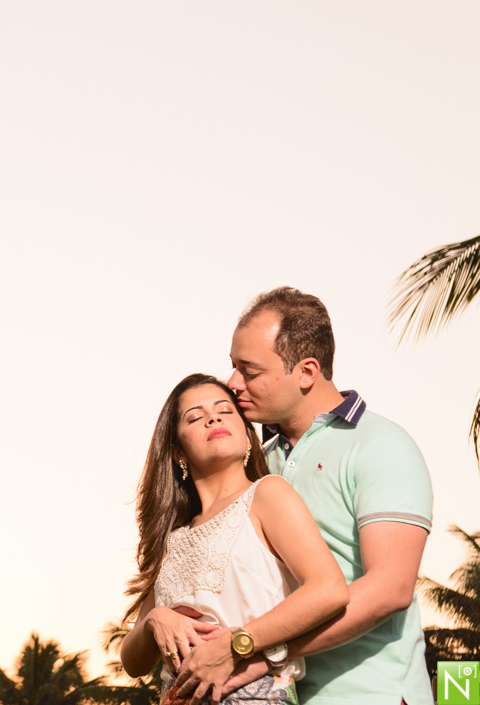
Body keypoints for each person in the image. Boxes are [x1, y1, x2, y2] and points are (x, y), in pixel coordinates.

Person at [196, 287, 433, 705]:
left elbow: (390, 588)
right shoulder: (255, 465)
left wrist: (259, 649)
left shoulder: (381, 444)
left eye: (249, 371)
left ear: (307, 372)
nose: (232, 383)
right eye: (233, 367)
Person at [120, 373, 349, 704]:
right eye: (195, 417)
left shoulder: (267, 494)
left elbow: (328, 590)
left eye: (225, 410)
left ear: (247, 433)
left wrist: (238, 643)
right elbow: (133, 662)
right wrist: (155, 620)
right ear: (177, 453)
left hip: (252, 694)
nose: (212, 418)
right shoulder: (172, 538)